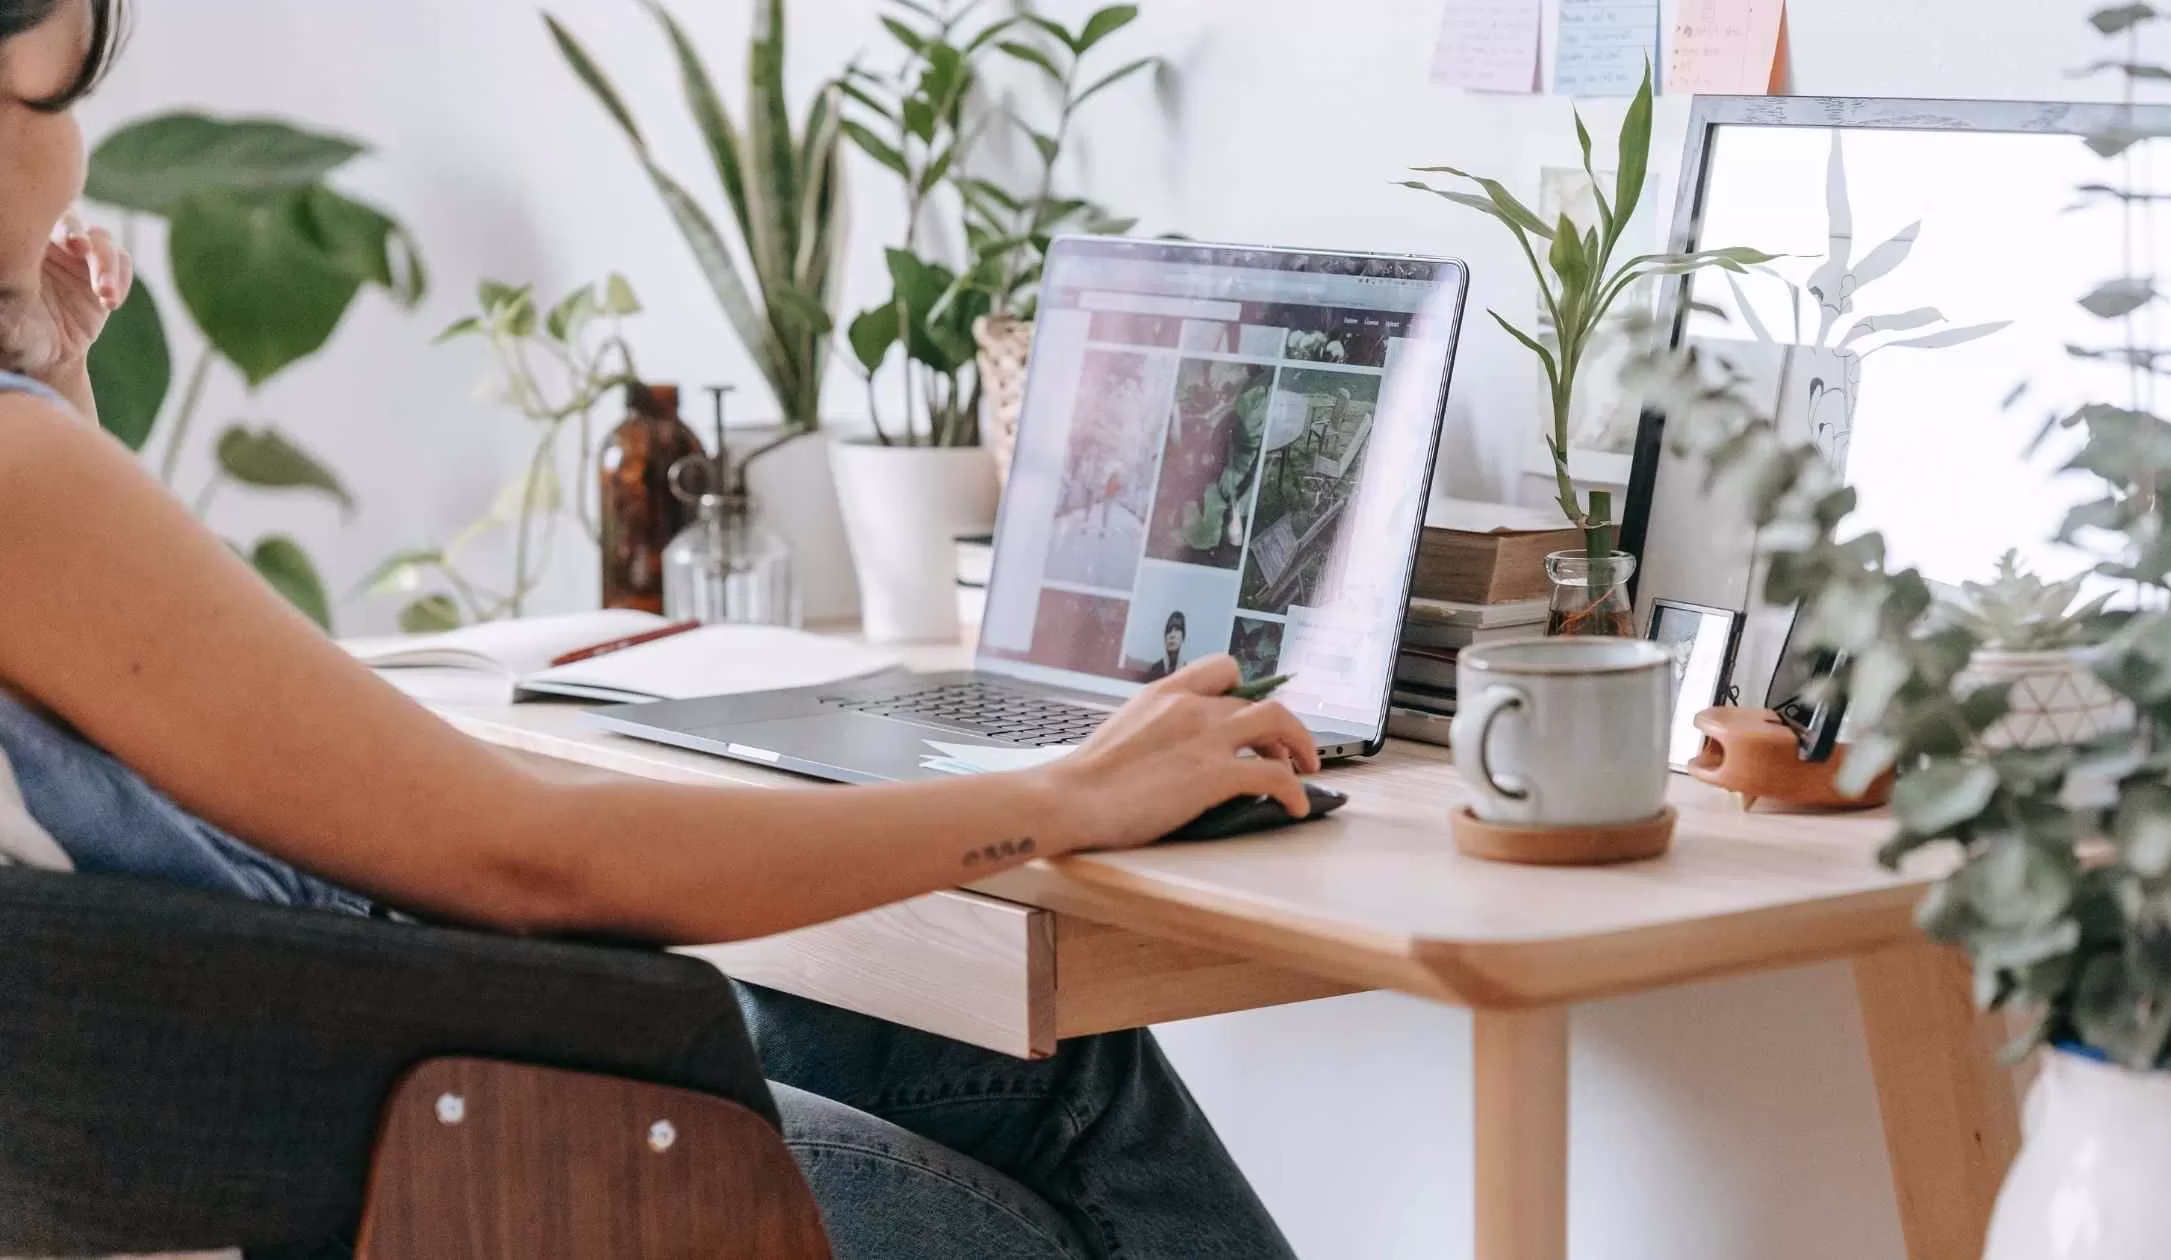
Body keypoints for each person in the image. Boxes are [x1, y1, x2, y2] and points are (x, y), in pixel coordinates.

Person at [0, 4, 1317, 1256]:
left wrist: (57, 378)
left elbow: (103, 754)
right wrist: (1068, 794)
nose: (73, 155)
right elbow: (540, 862)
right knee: (1073, 1111)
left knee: (1015, 1052)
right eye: (53, 98)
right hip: (434, 1154)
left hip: (270, 1108)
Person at [1142, 611, 1188, 682]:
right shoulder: (1154, 671)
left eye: (1177, 629)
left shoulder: (1188, 672)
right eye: (1169, 631)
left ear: (1183, 637)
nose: (1172, 635)